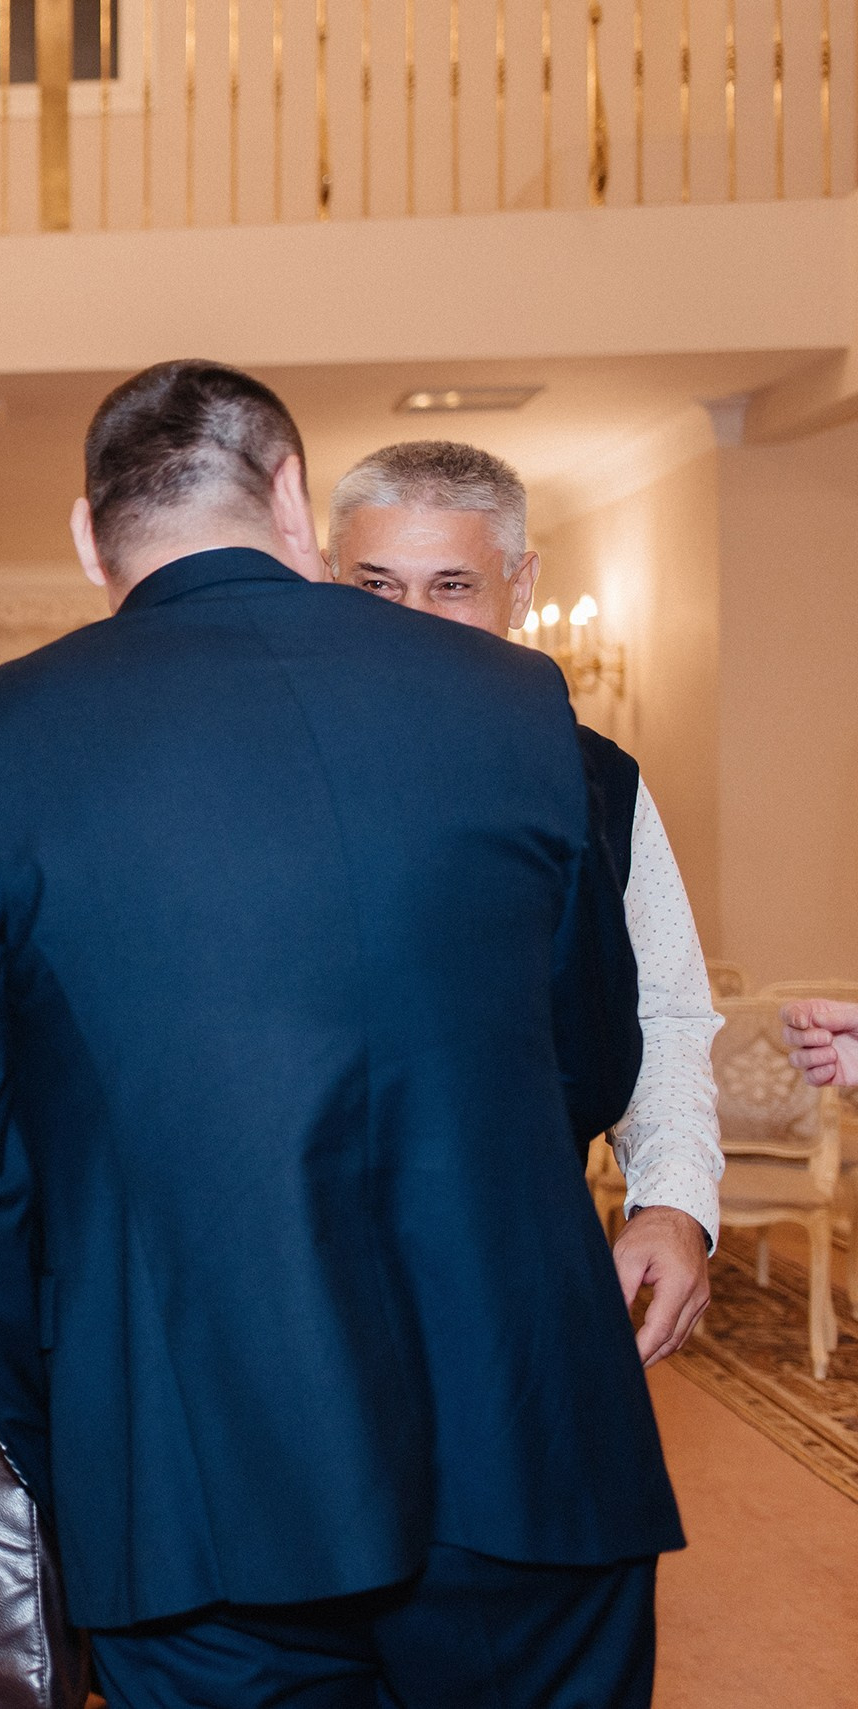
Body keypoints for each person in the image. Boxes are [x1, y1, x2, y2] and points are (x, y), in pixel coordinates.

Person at [0, 362, 679, 1708]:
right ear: (294, 496)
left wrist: (69, 1401)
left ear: (87, 535)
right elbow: (591, 1045)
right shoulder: (521, 703)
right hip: (526, 1437)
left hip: (194, 1469)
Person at [329, 439, 722, 1363]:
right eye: (376, 585)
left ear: (521, 583)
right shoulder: (248, 768)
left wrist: (673, 1200)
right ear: (323, 577)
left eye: (452, 586)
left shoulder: (599, 783)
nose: (410, 621)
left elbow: (662, 1008)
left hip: (522, 1248)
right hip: (300, 1268)